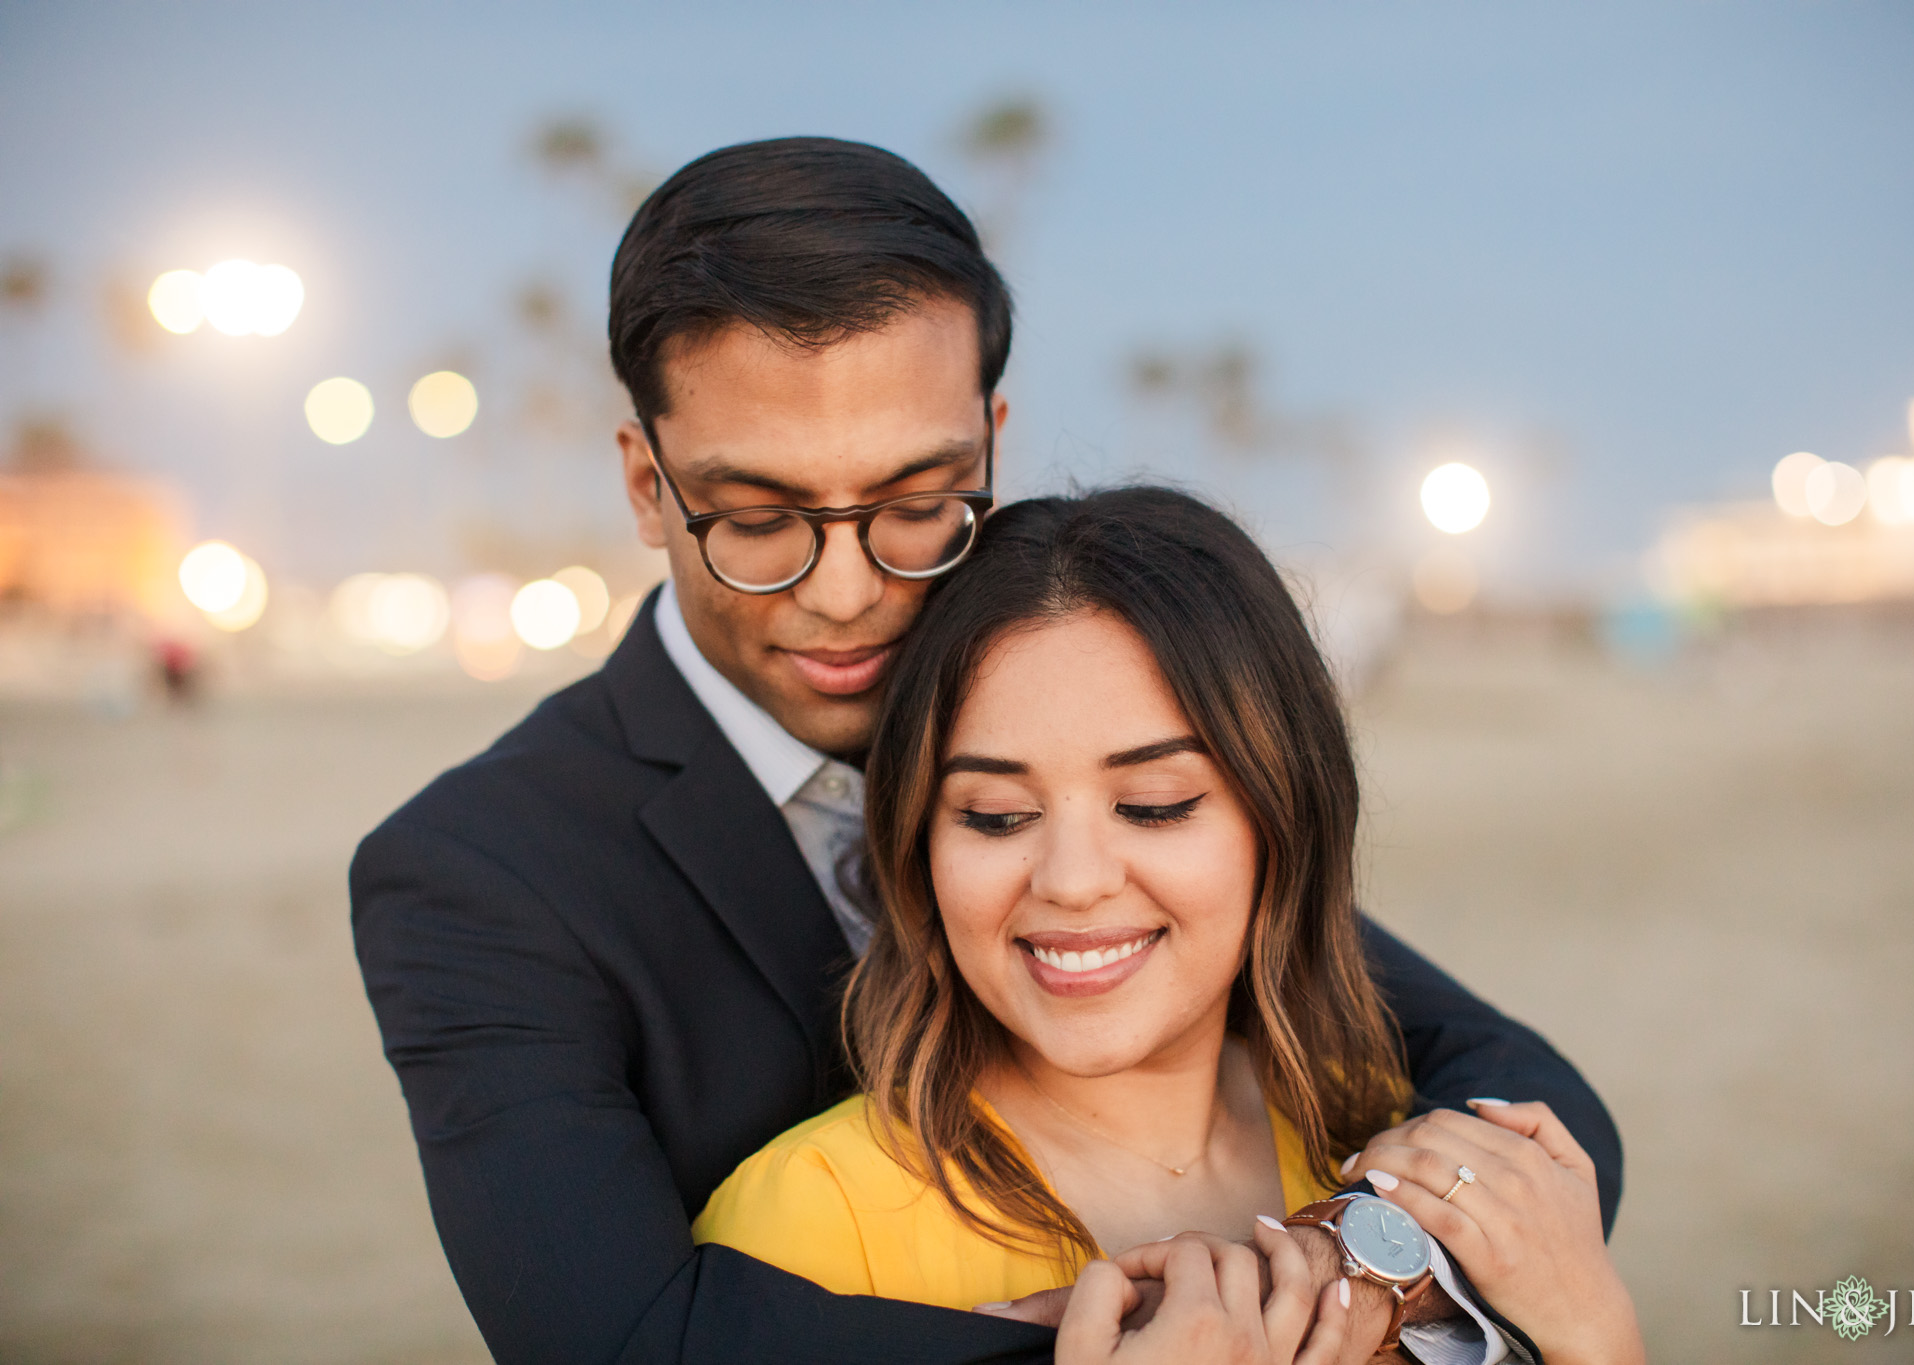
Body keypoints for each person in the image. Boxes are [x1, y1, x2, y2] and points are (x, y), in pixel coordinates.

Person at [351, 137, 1622, 1365]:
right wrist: (1186, 1329)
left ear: (990, 445)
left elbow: (1499, 1075)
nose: (846, 592)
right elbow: (620, 1343)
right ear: (645, 485)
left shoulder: (1068, 706)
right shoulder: (478, 874)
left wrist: (1352, 1266)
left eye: (916, 506)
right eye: (754, 518)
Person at [691, 487, 1643, 1364]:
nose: (1070, 881)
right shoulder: (805, 1229)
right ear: (916, 845)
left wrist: (1592, 1330)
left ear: (1284, 819)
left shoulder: (1378, 1129)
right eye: (992, 815)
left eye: (1153, 804)